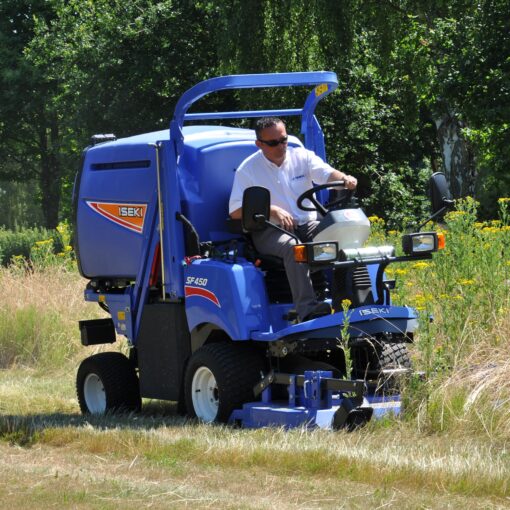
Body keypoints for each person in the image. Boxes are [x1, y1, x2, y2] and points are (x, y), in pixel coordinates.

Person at [229, 117, 357, 321]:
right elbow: (235, 211)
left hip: (307, 223)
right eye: (273, 143)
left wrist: (344, 179)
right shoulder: (248, 169)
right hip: (270, 229)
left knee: (342, 236)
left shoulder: (303, 157)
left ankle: (349, 301)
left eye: (284, 140)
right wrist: (271, 210)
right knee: (293, 247)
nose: (281, 146)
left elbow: (327, 174)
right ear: (259, 144)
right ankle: (307, 310)